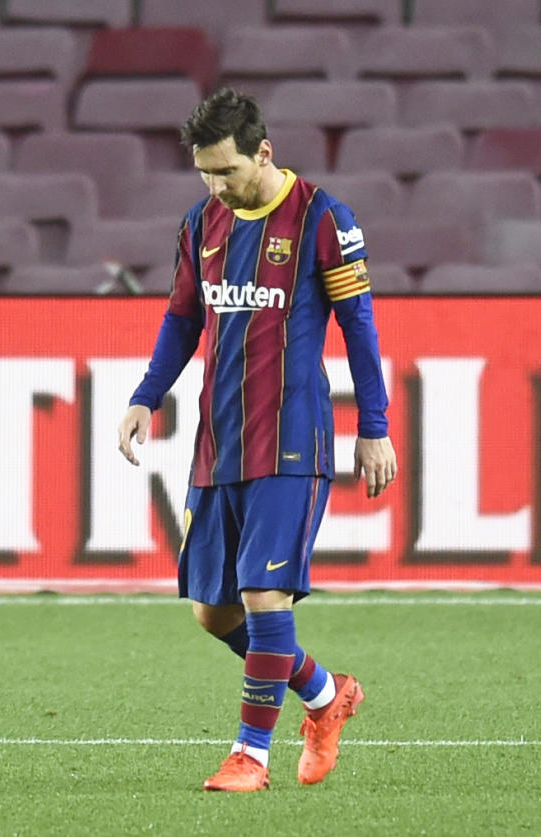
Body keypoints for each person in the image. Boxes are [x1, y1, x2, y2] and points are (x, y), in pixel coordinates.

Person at [116, 88, 397, 793]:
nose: (217, 186)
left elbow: (358, 324)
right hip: (220, 444)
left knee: (266, 596)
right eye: (206, 173)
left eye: (228, 171)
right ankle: (329, 695)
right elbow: (182, 319)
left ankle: (250, 755)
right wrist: (145, 397)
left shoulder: (322, 218)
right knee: (214, 613)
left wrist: (374, 426)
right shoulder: (201, 223)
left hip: (293, 445)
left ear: (263, 152)